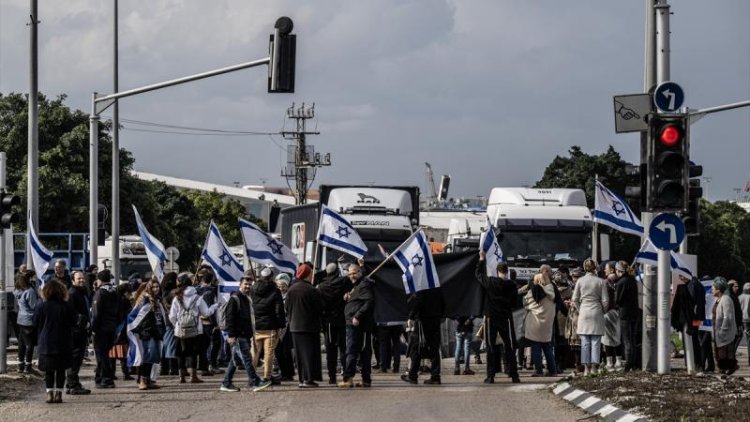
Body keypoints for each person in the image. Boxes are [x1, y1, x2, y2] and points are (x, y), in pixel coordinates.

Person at [219, 276, 272, 392]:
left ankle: (226, 383)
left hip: (245, 335)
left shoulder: (246, 299)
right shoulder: (235, 299)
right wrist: (231, 335)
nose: (248, 286)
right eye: (245, 284)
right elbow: (230, 318)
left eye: (249, 284)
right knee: (247, 359)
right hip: (238, 336)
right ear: (240, 284)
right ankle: (255, 381)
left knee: (235, 361)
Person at [474, 255, 520, 384]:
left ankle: (491, 375)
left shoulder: (491, 282)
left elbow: (478, 274)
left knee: (491, 347)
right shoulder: (512, 285)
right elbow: (515, 303)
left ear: (497, 271)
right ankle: (514, 374)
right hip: (506, 318)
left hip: (491, 318)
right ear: (507, 271)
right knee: (509, 346)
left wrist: (482, 259)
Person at [33, 280, 76, 404]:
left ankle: (49, 394)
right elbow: (73, 322)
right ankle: (59, 394)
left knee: (49, 371)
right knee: (61, 370)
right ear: (62, 291)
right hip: (63, 342)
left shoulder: (42, 305)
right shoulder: (66, 305)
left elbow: (34, 322)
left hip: (46, 342)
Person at [169, 277, 217, 383]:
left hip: (179, 330)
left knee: (181, 353)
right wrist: (214, 306)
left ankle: (181, 377)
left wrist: (177, 325)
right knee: (193, 353)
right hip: (195, 330)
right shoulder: (198, 298)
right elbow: (206, 313)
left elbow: (172, 316)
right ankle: (193, 376)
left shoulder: (177, 298)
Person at [285, 264, 324, 387]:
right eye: (311, 273)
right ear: (307, 275)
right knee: (309, 354)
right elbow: (320, 308)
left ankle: (302, 379)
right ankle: (308, 379)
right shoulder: (312, 290)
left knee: (300, 355)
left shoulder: (291, 289)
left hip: (295, 327)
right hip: (309, 327)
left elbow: (286, 307)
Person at [338, 263, 375, 388]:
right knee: (357, 352)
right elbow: (359, 301)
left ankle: (349, 378)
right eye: (349, 274)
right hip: (353, 324)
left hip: (359, 325)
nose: (351, 276)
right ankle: (365, 380)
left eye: (354, 273)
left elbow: (369, 301)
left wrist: (357, 316)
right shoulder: (357, 285)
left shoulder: (364, 284)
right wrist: (349, 297)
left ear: (360, 272)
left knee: (354, 351)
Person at [127, 278, 167, 390]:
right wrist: (146, 331)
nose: (155, 289)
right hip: (147, 333)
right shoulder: (144, 301)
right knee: (146, 357)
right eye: (153, 287)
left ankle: (148, 380)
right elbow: (137, 318)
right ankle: (142, 380)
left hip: (156, 332)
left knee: (153, 357)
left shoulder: (158, 300)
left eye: (157, 287)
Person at [401, 286, 445, 385]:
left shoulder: (422, 288)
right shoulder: (437, 288)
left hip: (422, 322)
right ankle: (435, 376)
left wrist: (411, 317)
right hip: (435, 319)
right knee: (434, 349)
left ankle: (412, 376)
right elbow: (443, 303)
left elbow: (417, 302)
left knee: (416, 348)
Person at [571, 259, 608, 376]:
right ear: (595, 268)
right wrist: (603, 310)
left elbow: (574, 299)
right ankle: (594, 368)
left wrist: (579, 309)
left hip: (584, 311)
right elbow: (605, 300)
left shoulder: (580, 281)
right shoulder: (601, 281)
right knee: (596, 342)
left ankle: (586, 368)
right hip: (596, 310)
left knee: (585, 342)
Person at [251, 267, 286, 382]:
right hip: (270, 326)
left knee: (255, 352)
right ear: (271, 277)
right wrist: (281, 325)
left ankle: (252, 376)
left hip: (256, 325)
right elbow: (279, 310)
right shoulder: (275, 291)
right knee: (269, 353)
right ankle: (267, 376)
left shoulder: (253, 289)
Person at [316, 262, 349, 383]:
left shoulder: (321, 286)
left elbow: (319, 306)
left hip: (328, 322)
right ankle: (346, 374)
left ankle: (332, 377)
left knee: (331, 350)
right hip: (342, 319)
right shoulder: (343, 282)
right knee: (344, 349)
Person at [91, 269, 121, 388]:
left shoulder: (99, 293)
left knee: (101, 354)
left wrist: (93, 328)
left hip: (101, 329)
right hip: (112, 327)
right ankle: (99, 377)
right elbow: (120, 311)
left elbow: (96, 313)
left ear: (99, 280)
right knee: (105, 353)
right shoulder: (115, 292)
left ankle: (106, 379)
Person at [523, 272, 557, 377]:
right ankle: (552, 370)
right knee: (547, 347)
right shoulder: (551, 290)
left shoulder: (532, 292)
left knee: (535, 346)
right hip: (547, 324)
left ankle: (538, 370)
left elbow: (525, 303)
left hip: (534, 322)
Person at [65, 271, 92, 395]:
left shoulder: (82, 292)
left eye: (82, 278)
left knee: (77, 358)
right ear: (73, 280)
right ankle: (73, 385)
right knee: (75, 358)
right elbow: (72, 314)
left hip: (81, 330)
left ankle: (71, 383)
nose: (81, 280)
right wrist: (84, 322)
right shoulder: (72, 293)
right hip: (76, 332)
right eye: (78, 278)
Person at [615, 261, 640, 372]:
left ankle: (628, 365)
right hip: (634, 312)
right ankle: (633, 363)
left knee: (626, 340)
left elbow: (617, 300)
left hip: (624, 313)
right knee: (633, 339)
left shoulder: (621, 282)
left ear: (618, 271)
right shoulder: (632, 280)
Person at [14, 270, 39, 374]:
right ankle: (28, 367)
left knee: (21, 343)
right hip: (29, 320)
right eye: (34, 277)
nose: (35, 279)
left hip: (21, 319)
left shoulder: (18, 290)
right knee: (30, 344)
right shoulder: (30, 292)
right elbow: (34, 306)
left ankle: (20, 365)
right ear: (30, 279)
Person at [712, 277, 738, 375]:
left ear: (718, 289)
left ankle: (728, 369)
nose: (712, 289)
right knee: (720, 353)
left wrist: (722, 331)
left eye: (713, 287)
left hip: (725, 333)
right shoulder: (719, 299)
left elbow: (728, 317)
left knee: (725, 354)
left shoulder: (726, 299)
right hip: (718, 331)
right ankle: (723, 370)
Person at [273, 273, 295, 381]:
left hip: (288, 326)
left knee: (286, 351)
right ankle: (284, 371)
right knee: (278, 351)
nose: (281, 288)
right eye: (279, 286)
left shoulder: (291, 295)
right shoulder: (274, 295)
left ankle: (288, 373)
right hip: (277, 326)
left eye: (283, 285)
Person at [601, 261, 622, 370]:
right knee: (617, 336)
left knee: (607, 338)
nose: (604, 270)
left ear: (612, 270)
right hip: (618, 311)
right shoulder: (620, 281)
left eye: (606, 268)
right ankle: (619, 361)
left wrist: (603, 311)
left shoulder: (605, 282)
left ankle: (609, 362)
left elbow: (604, 299)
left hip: (608, 311)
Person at [739, 282, 750, 366]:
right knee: (748, 339)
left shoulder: (740, 297)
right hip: (748, 319)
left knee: (740, 337)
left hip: (742, 319)